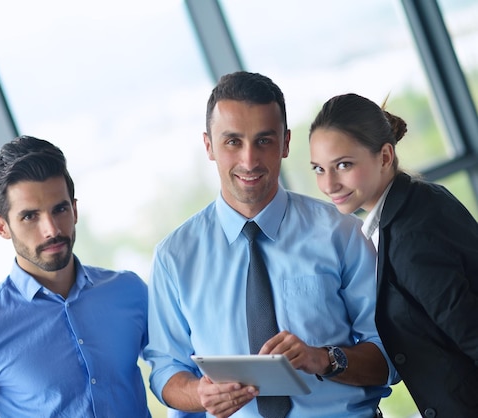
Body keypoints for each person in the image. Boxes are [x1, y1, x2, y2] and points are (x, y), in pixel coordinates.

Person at [144, 71, 396, 418]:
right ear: (209, 146)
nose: (249, 161)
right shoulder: (174, 257)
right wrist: (198, 393)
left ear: (286, 143)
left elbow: (391, 357)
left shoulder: (341, 234)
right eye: (233, 142)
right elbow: (164, 369)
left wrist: (323, 359)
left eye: (264, 140)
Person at [0, 135, 151, 417]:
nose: (51, 229)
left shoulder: (128, 291)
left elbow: (179, 372)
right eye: (30, 217)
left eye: (59, 209)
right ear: (2, 227)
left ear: (74, 210)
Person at [309, 92, 478, 417]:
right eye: (318, 168)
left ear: (384, 156)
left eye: (343, 165)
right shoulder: (418, 199)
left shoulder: (410, 234)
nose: (329, 183)